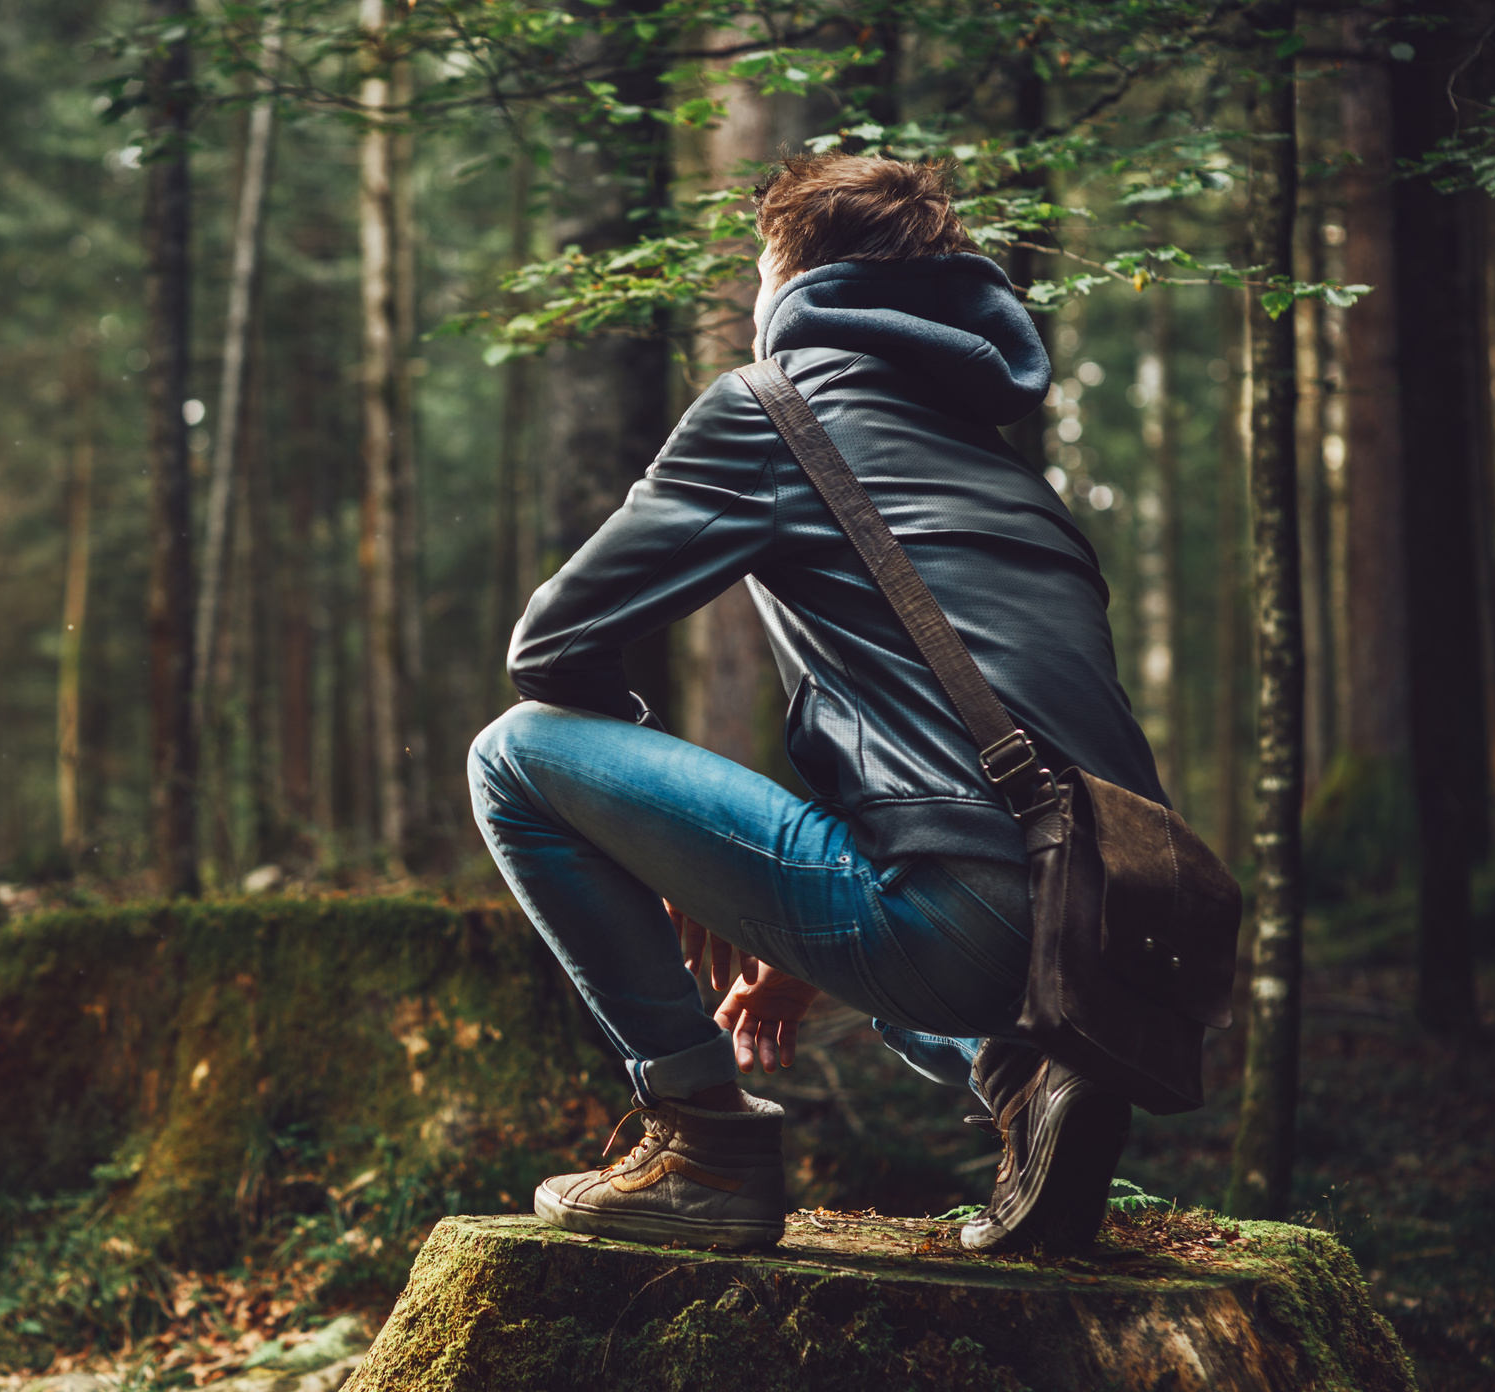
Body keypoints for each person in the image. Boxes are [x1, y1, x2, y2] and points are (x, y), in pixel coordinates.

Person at [466, 151, 1166, 1255]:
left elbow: (550, 645)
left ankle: (705, 1145)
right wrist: (790, 949)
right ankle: (1027, 1077)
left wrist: (653, 844)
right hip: (1111, 940)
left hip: (972, 922)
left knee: (513, 755)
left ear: (789, 279)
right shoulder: (1001, 468)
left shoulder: (776, 410)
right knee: (925, 918)